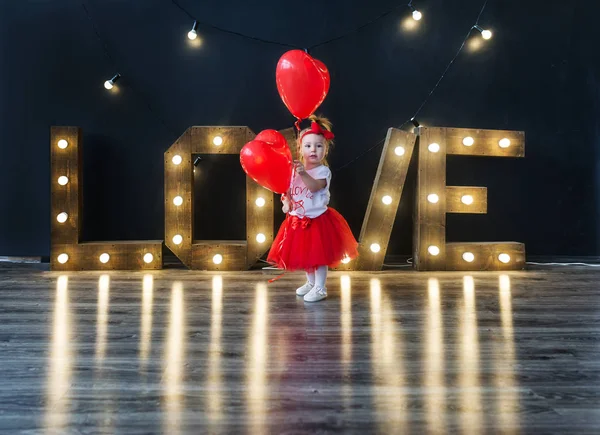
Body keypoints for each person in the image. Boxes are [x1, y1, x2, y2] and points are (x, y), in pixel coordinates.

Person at [267, 115, 358, 302]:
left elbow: (315, 187)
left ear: (326, 150)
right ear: (300, 149)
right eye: (308, 146)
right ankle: (310, 282)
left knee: (319, 257)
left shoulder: (323, 171)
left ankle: (320, 287)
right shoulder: (294, 170)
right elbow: (288, 191)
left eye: (318, 146)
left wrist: (303, 174)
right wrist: (286, 202)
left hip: (317, 221)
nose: (313, 150)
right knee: (307, 258)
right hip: (297, 221)